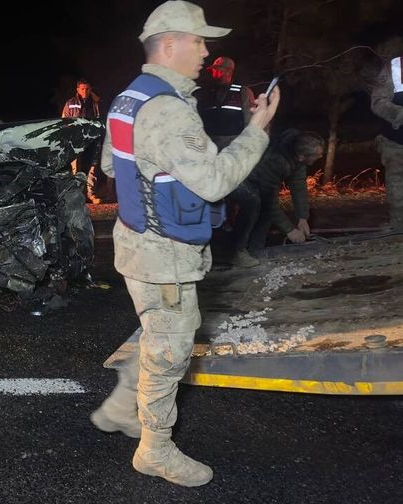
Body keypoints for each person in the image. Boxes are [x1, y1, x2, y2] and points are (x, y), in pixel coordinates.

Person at [92, 1, 279, 487]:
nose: (205, 51)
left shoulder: (128, 98)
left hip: (135, 241)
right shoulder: (169, 109)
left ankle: (119, 409)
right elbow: (215, 181)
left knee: (158, 334)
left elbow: (114, 167)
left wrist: (157, 177)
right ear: (170, 44)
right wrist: (256, 130)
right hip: (165, 252)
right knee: (172, 346)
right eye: (198, 41)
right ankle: (154, 448)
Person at [228, 130, 325, 267]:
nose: (321, 156)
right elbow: (269, 202)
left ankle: (256, 250)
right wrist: (289, 230)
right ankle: (236, 251)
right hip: (237, 177)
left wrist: (302, 217)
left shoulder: (297, 153)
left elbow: (298, 185)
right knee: (254, 204)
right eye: (317, 155)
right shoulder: (274, 160)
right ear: (302, 157)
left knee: (266, 215)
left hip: (260, 180)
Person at [370, 55, 403, 230]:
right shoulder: (393, 68)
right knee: (397, 185)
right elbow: (378, 103)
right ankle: (399, 225)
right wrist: (399, 114)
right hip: (395, 143)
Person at [196, 56, 256, 150]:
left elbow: (250, 120)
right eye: (213, 70)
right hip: (210, 146)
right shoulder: (206, 93)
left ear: (228, 71)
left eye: (217, 69)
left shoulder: (242, 92)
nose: (213, 72)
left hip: (233, 145)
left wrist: (248, 144)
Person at [62, 79, 105, 203]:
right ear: (77, 89)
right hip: (76, 140)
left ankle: (91, 194)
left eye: (87, 89)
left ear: (91, 89)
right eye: (82, 88)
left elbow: (102, 118)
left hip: (92, 139)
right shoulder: (70, 103)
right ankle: (77, 196)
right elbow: (64, 121)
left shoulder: (96, 103)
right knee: (76, 168)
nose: (84, 91)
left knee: (93, 166)